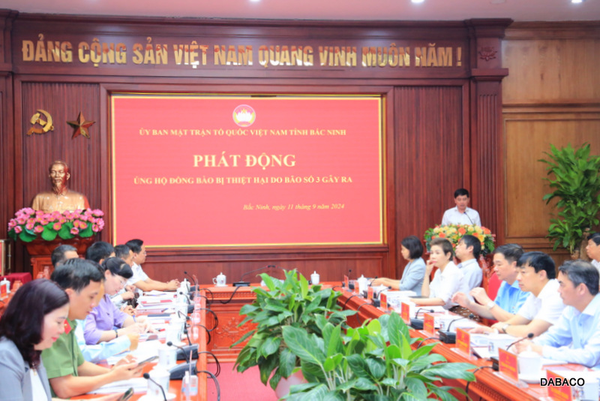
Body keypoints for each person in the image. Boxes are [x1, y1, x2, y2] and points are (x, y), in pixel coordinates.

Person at [42, 258, 144, 399]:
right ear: (69, 294)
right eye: (91, 297)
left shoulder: (71, 321)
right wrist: (112, 376)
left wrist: (114, 371)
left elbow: (80, 366)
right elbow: (64, 388)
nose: (94, 305)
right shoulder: (53, 326)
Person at [515, 260, 600, 368]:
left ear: (581, 289)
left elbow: (590, 357)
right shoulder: (571, 309)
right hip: (581, 374)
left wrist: (541, 350)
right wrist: (529, 345)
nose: (558, 290)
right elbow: (554, 337)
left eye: (562, 285)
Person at [0, 279, 69, 401]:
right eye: (59, 322)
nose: (62, 330)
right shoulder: (6, 356)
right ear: (34, 317)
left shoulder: (33, 349)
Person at [470, 251, 565, 337]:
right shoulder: (534, 294)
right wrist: (492, 330)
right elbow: (518, 320)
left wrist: (503, 328)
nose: (518, 278)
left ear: (541, 275)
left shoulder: (556, 294)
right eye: (518, 273)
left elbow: (530, 332)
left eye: (523, 272)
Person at [452, 244, 529, 321]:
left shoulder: (527, 287)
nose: (495, 269)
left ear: (515, 265)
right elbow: (493, 312)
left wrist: (487, 301)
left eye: (499, 264)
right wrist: (468, 304)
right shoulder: (505, 284)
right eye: (494, 265)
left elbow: (518, 321)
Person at [84, 258, 149, 345]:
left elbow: (120, 317)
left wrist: (141, 322)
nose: (122, 287)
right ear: (107, 274)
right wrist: (122, 332)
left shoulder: (105, 296)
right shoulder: (90, 299)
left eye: (124, 284)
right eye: (121, 281)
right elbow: (90, 336)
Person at [410, 237, 469, 309]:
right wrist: (427, 274)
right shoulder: (438, 271)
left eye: (437, 253)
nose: (433, 256)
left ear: (448, 255)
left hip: (461, 311)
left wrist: (412, 301)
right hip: (447, 310)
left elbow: (442, 301)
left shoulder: (452, 272)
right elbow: (426, 296)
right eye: (431, 253)